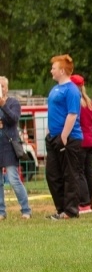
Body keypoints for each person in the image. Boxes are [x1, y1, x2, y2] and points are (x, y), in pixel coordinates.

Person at [45, 54, 83, 219]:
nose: (51, 70)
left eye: (53, 68)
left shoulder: (72, 90)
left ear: (61, 70)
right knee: (52, 174)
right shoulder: (55, 89)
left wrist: (64, 136)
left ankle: (71, 210)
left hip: (68, 138)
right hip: (53, 136)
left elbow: (72, 114)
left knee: (69, 174)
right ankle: (61, 208)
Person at [0, 76, 32, 220]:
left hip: (9, 145)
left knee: (13, 179)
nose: (0, 89)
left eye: (2, 86)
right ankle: (1, 211)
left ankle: (26, 209)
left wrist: (3, 105)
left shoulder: (13, 102)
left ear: (7, 88)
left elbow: (13, 119)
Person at [70, 74, 92, 214]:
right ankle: (90, 201)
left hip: (79, 140)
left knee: (79, 172)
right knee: (88, 171)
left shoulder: (75, 102)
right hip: (90, 140)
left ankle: (84, 202)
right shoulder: (88, 102)